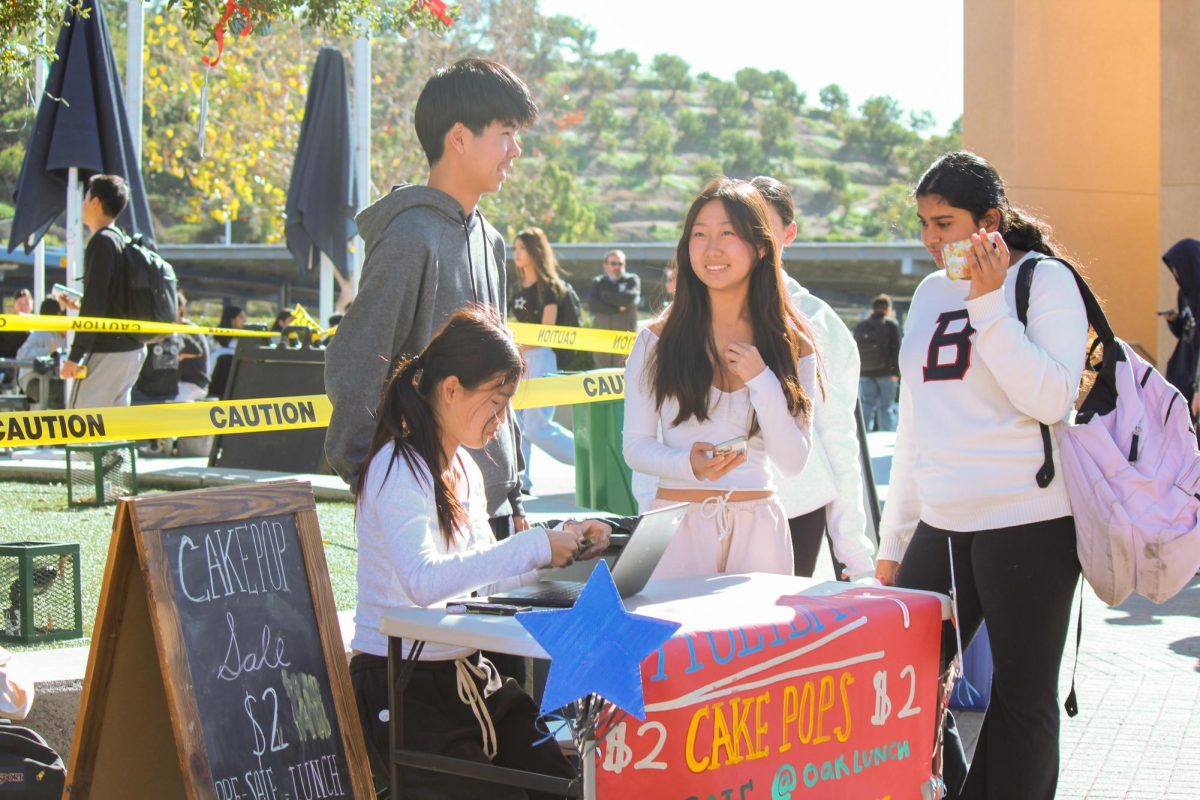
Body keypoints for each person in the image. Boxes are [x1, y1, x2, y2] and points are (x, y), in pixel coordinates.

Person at [875, 151, 1087, 799]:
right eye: (923, 225)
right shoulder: (929, 292)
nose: (933, 240)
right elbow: (916, 424)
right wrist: (893, 544)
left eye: (945, 223)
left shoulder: (1044, 281)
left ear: (989, 220)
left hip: (1029, 523)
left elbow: (1051, 398)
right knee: (902, 690)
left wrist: (989, 302)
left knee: (1022, 701)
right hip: (941, 525)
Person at [348, 306, 609, 797]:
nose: (502, 419)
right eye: (497, 399)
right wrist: (532, 546)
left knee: (562, 784)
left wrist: (566, 550)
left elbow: (487, 584)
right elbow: (422, 582)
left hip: (466, 675)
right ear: (450, 390)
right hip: (401, 683)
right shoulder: (398, 465)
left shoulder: (462, 467)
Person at [325, 58, 537, 548]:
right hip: (429, 509)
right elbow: (355, 367)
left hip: (493, 503)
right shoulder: (409, 238)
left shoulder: (491, 240)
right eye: (505, 133)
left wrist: (515, 491)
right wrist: (376, 483)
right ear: (459, 137)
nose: (515, 150)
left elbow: (499, 375)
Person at [623, 177, 817, 579]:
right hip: (676, 529)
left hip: (759, 530)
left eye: (727, 233)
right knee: (673, 642)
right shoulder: (655, 342)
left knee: (762, 644)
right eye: (699, 234)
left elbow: (793, 461)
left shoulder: (792, 346)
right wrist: (687, 463)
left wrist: (762, 380)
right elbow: (635, 447)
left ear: (762, 247)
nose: (711, 248)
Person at [750, 176, 876, 581]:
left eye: (762, 226)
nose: (748, 239)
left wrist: (855, 559)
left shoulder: (817, 321)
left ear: (790, 233)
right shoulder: (695, 317)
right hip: (713, 509)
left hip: (795, 512)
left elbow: (839, 440)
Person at [61, 175, 146, 409]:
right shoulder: (122, 239)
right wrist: (80, 305)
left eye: (86, 196)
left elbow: (96, 302)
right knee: (115, 431)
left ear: (96, 202)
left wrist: (74, 356)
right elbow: (114, 299)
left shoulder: (102, 242)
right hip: (133, 349)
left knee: (81, 426)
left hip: (108, 350)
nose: (83, 202)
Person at [509, 227, 575, 493]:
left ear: (534, 251)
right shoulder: (515, 288)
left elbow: (546, 332)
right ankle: (520, 480)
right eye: (515, 248)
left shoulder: (550, 288)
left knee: (537, 427)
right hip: (518, 359)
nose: (517, 254)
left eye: (522, 248)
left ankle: (590, 458)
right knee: (517, 422)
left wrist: (517, 345)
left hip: (540, 358)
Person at [1161, 238, 1200, 409]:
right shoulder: (1183, 294)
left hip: (1195, 376)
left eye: (1178, 268)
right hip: (1180, 373)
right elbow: (1187, 332)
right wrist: (1174, 321)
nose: (1175, 273)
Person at [853, 293, 901, 431]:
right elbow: (897, 348)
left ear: (873, 309)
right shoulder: (891, 324)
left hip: (865, 372)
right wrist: (896, 372)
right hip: (887, 372)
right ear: (887, 309)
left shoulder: (861, 325)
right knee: (885, 407)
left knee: (867, 405)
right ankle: (885, 437)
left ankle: (864, 440)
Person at [588, 249, 640, 368]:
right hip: (601, 341)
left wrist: (606, 297)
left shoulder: (632, 280)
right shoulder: (598, 282)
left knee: (625, 377)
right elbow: (593, 305)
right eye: (613, 263)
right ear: (605, 266)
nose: (617, 266)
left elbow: (628, 299)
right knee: (601, 377)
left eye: (620, 263)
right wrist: (618, 308)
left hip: (624, 342)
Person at [16, 297, 67, 406]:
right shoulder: (40, 333)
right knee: (64, 391)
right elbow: (21, 355)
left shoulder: (62, 337)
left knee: (69, 388)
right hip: (33, 382)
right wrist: (47, 350)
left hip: (51, 379)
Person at [175, 291, 210, 402]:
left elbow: (197, 351)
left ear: (181, 309)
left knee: (176, 402)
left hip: (194, 383)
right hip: (178, 382)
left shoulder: (189, 329)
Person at [208, 304, 245, 398]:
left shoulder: (244, 338)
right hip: (216, 383)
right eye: (241, 317)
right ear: (232, 319)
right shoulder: (214, 337)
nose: (244, 321)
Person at [0, 289, 33, 387]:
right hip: (9, 368)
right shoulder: (7, 324)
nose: (23, 306)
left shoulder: (39, 323)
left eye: (26, 302)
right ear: (14, 305)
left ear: (32, 303)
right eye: (19, 303)